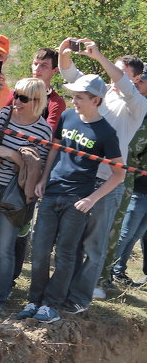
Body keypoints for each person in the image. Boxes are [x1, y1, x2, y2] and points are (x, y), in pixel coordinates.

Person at [16, 74, 125, 323]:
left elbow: (119, 174)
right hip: (52, 192)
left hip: (77, 199)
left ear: (96, 100)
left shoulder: (107, 133)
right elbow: (55, 147)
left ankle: (51, 305)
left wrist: (92, 199)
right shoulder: (67, 117)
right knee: (40, 250)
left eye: (79, 97)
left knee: (65, 254)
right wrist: (43, 178)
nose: (73, 100)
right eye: (72, 95)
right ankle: (34, 300)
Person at [58, 40, 147, 311]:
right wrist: (64, 52)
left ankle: (84, 295)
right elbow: (70, 74)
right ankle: (65, 289)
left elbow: (125, 85)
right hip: (80, 175)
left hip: (109, 180)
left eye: (119, 71)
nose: (112, 76)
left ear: (136, 78)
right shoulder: (100, 92)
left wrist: (99, 56)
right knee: (70, 240)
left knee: (95, 243)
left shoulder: (138, 103)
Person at [0, 78, 52, 318]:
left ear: (37, 101)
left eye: (23, 98)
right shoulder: (4, 115)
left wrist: (14, 156)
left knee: (5, 248)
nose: (16, 101)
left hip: (15, 193)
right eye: (16, 95)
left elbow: (39, 167)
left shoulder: (43, 129)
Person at [108, 120, 147, 287]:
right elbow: (132, 156)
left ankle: (118, 271)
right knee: (125, 235)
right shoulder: (143, 124)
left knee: (135, 236)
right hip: (138, 190)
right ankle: (107, 272)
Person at [30, 48, 67, 132]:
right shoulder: (17, 92)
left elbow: (48, 133)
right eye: (35, 64)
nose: (37, 68)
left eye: (44, 65)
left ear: (55, 70)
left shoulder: (56, 102)